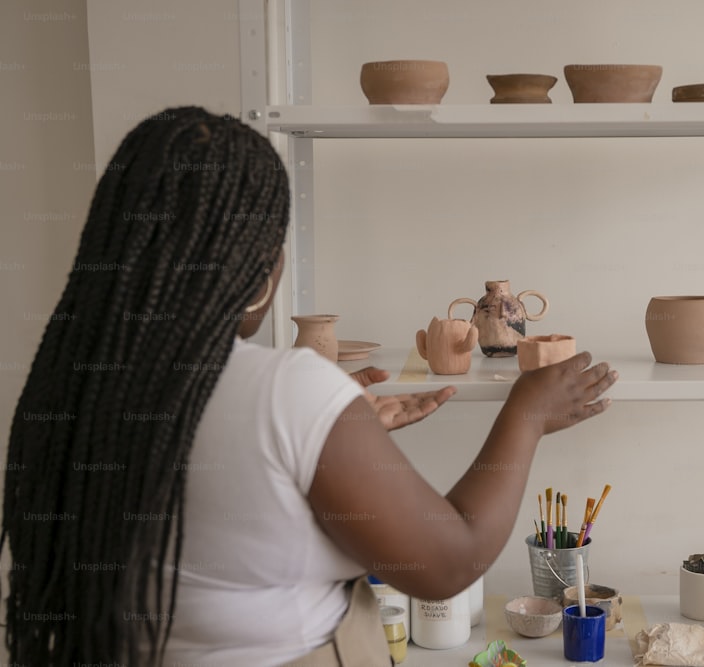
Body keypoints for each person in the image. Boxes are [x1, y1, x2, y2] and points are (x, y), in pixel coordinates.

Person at [2, 107, 617, 666]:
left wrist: (321, 437)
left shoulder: (65, 394)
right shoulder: (284, 392)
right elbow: (448, 562)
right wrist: (526, 413)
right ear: (260, 272)